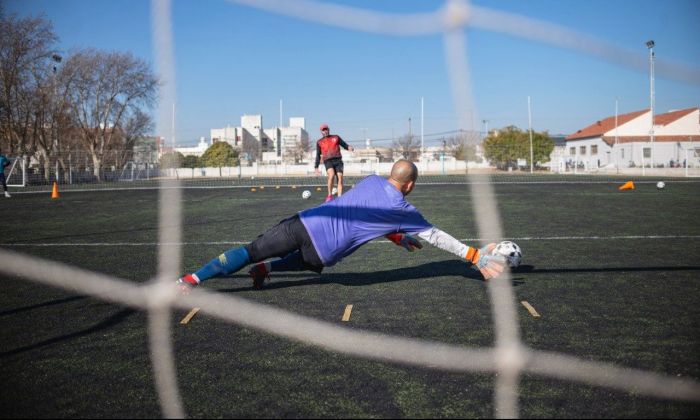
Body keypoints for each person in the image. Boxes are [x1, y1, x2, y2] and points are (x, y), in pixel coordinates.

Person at [176, 160, 506, 294]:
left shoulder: (372, 179)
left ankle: (190, 280)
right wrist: (475, 255)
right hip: (325, 250)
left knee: (248, 250)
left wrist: (394, 236)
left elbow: (365, 212)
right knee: (308, 262)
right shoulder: (403, 207)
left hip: (305, 221)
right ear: (410, 184)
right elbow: (436, 237)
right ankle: (267, 268)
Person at [314, 123, 354, 203]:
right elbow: (318, 155)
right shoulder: (319, 142)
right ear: (321, 132)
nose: (325, 131)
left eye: (326, 129)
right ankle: (329, 195)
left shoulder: (336, 137)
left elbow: (344, 144)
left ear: (328, 130)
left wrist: (349, 147)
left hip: (338, 160)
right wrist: (316, 167)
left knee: (340, 177)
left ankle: (340, 197)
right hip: (328, 160)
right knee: (331, 175)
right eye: (323, 130)